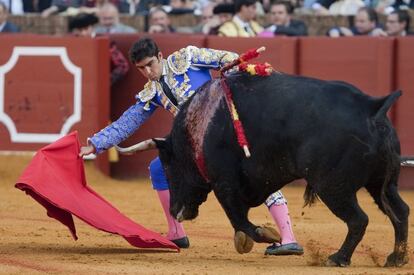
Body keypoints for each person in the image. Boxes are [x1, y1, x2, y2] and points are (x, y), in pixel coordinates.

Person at [79, 38, 304, 255]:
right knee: (159, 168)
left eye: (150, 64)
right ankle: (176, 232)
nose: (148, 72)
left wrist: (237, 79)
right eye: (141, 68)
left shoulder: (188, 57)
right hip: (198, 146)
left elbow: (228, 59)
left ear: (160, 56)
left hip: (228, 131)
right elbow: (128, 121)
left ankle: (288, 238)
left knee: (257, 171)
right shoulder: (153, 92)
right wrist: (96, 145)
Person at [68, 12, 130, 86]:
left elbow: (123, 66)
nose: (83, 33)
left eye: (85, 29)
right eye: (79, 30)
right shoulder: (73, 43)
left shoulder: (106, 44)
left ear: (92, 27)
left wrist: (104, 81)